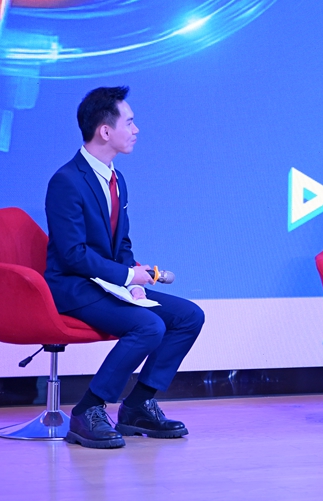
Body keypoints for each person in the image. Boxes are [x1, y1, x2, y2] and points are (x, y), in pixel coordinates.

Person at [44, 87, 205, 449]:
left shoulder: (117, 180)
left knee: (188, 316)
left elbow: (122, 243)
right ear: (105, 130)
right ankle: (88, 409)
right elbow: (72, 255)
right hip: (74, 287)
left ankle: (137, 406)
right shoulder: (66, 181)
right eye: (129, 122)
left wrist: (132, 277)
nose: (136, 129)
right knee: (149, 325)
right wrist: (126, 276)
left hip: (109, 283)